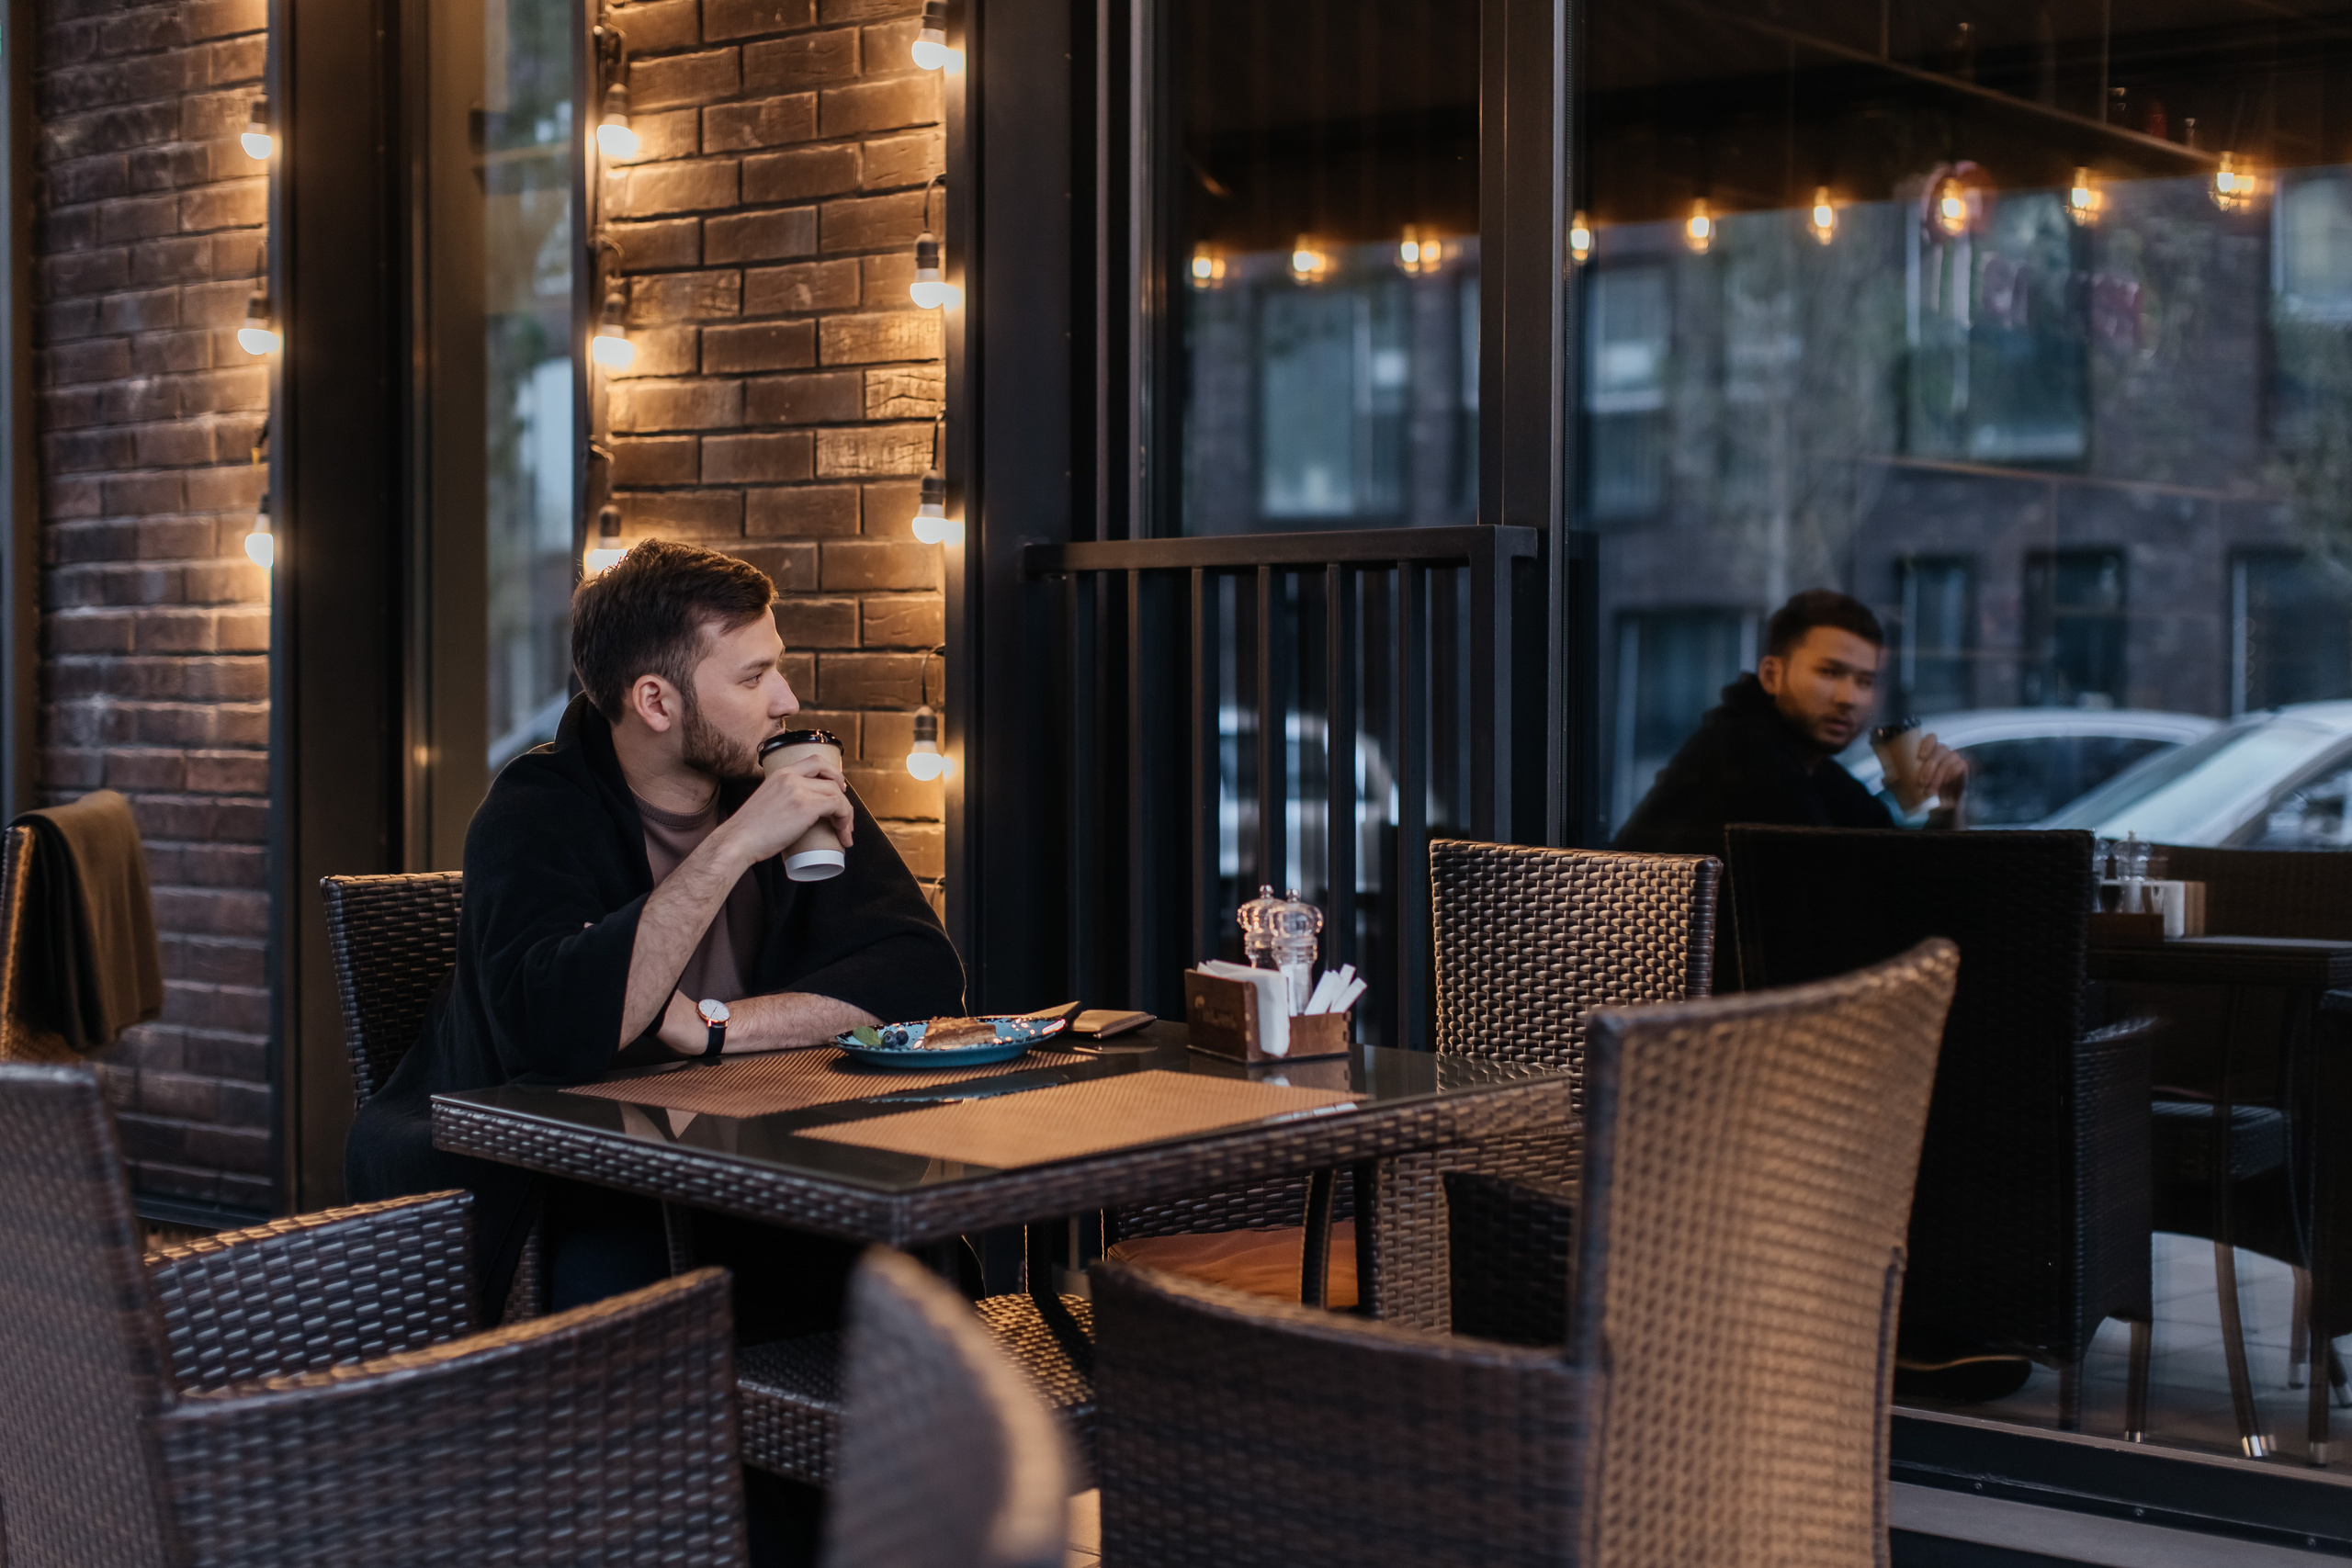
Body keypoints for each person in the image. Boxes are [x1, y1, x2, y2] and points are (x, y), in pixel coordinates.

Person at [346, 538, 966, 1328]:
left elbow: (920, 975)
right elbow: (557, 1031)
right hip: (574, 1177)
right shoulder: (534, 813)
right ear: (655, 702)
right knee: (629, 1286)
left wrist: (715, 1028)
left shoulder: (781, 779)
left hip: (766, 1152)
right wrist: (734, 845)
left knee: (923, 1267)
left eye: (776, 667)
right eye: (753, 677)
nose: (785, 699)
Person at [1613, 587, 1968, 864]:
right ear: (1772, 676)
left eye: (1865, 681)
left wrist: (1946, 809)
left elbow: (1899, 867)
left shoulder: (1810, 765)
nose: (1849, 698)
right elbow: (1892, 897)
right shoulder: (1749, 759)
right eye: (1829, 672)